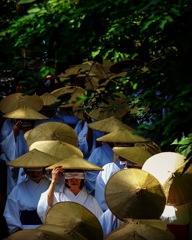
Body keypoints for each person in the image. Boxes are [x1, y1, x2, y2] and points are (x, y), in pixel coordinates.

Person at [3, 149, 59, 235]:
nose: (35, 173)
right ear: (26, 170)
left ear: (44, 169)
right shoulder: (18, 190)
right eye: (31, 169)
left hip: (48, 232)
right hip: (25, 232)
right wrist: (18, 232)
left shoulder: (52, 186)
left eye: (38, 169)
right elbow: (11, 214)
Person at [37, 155, 103, 223]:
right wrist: (54, 181)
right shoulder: (57, 197)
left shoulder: (91, 201)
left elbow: (100, 222)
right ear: (65, 177)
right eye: (69, 175)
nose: (74, 179)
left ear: (83, 177)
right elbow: (47, 206)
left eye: (78, 175)